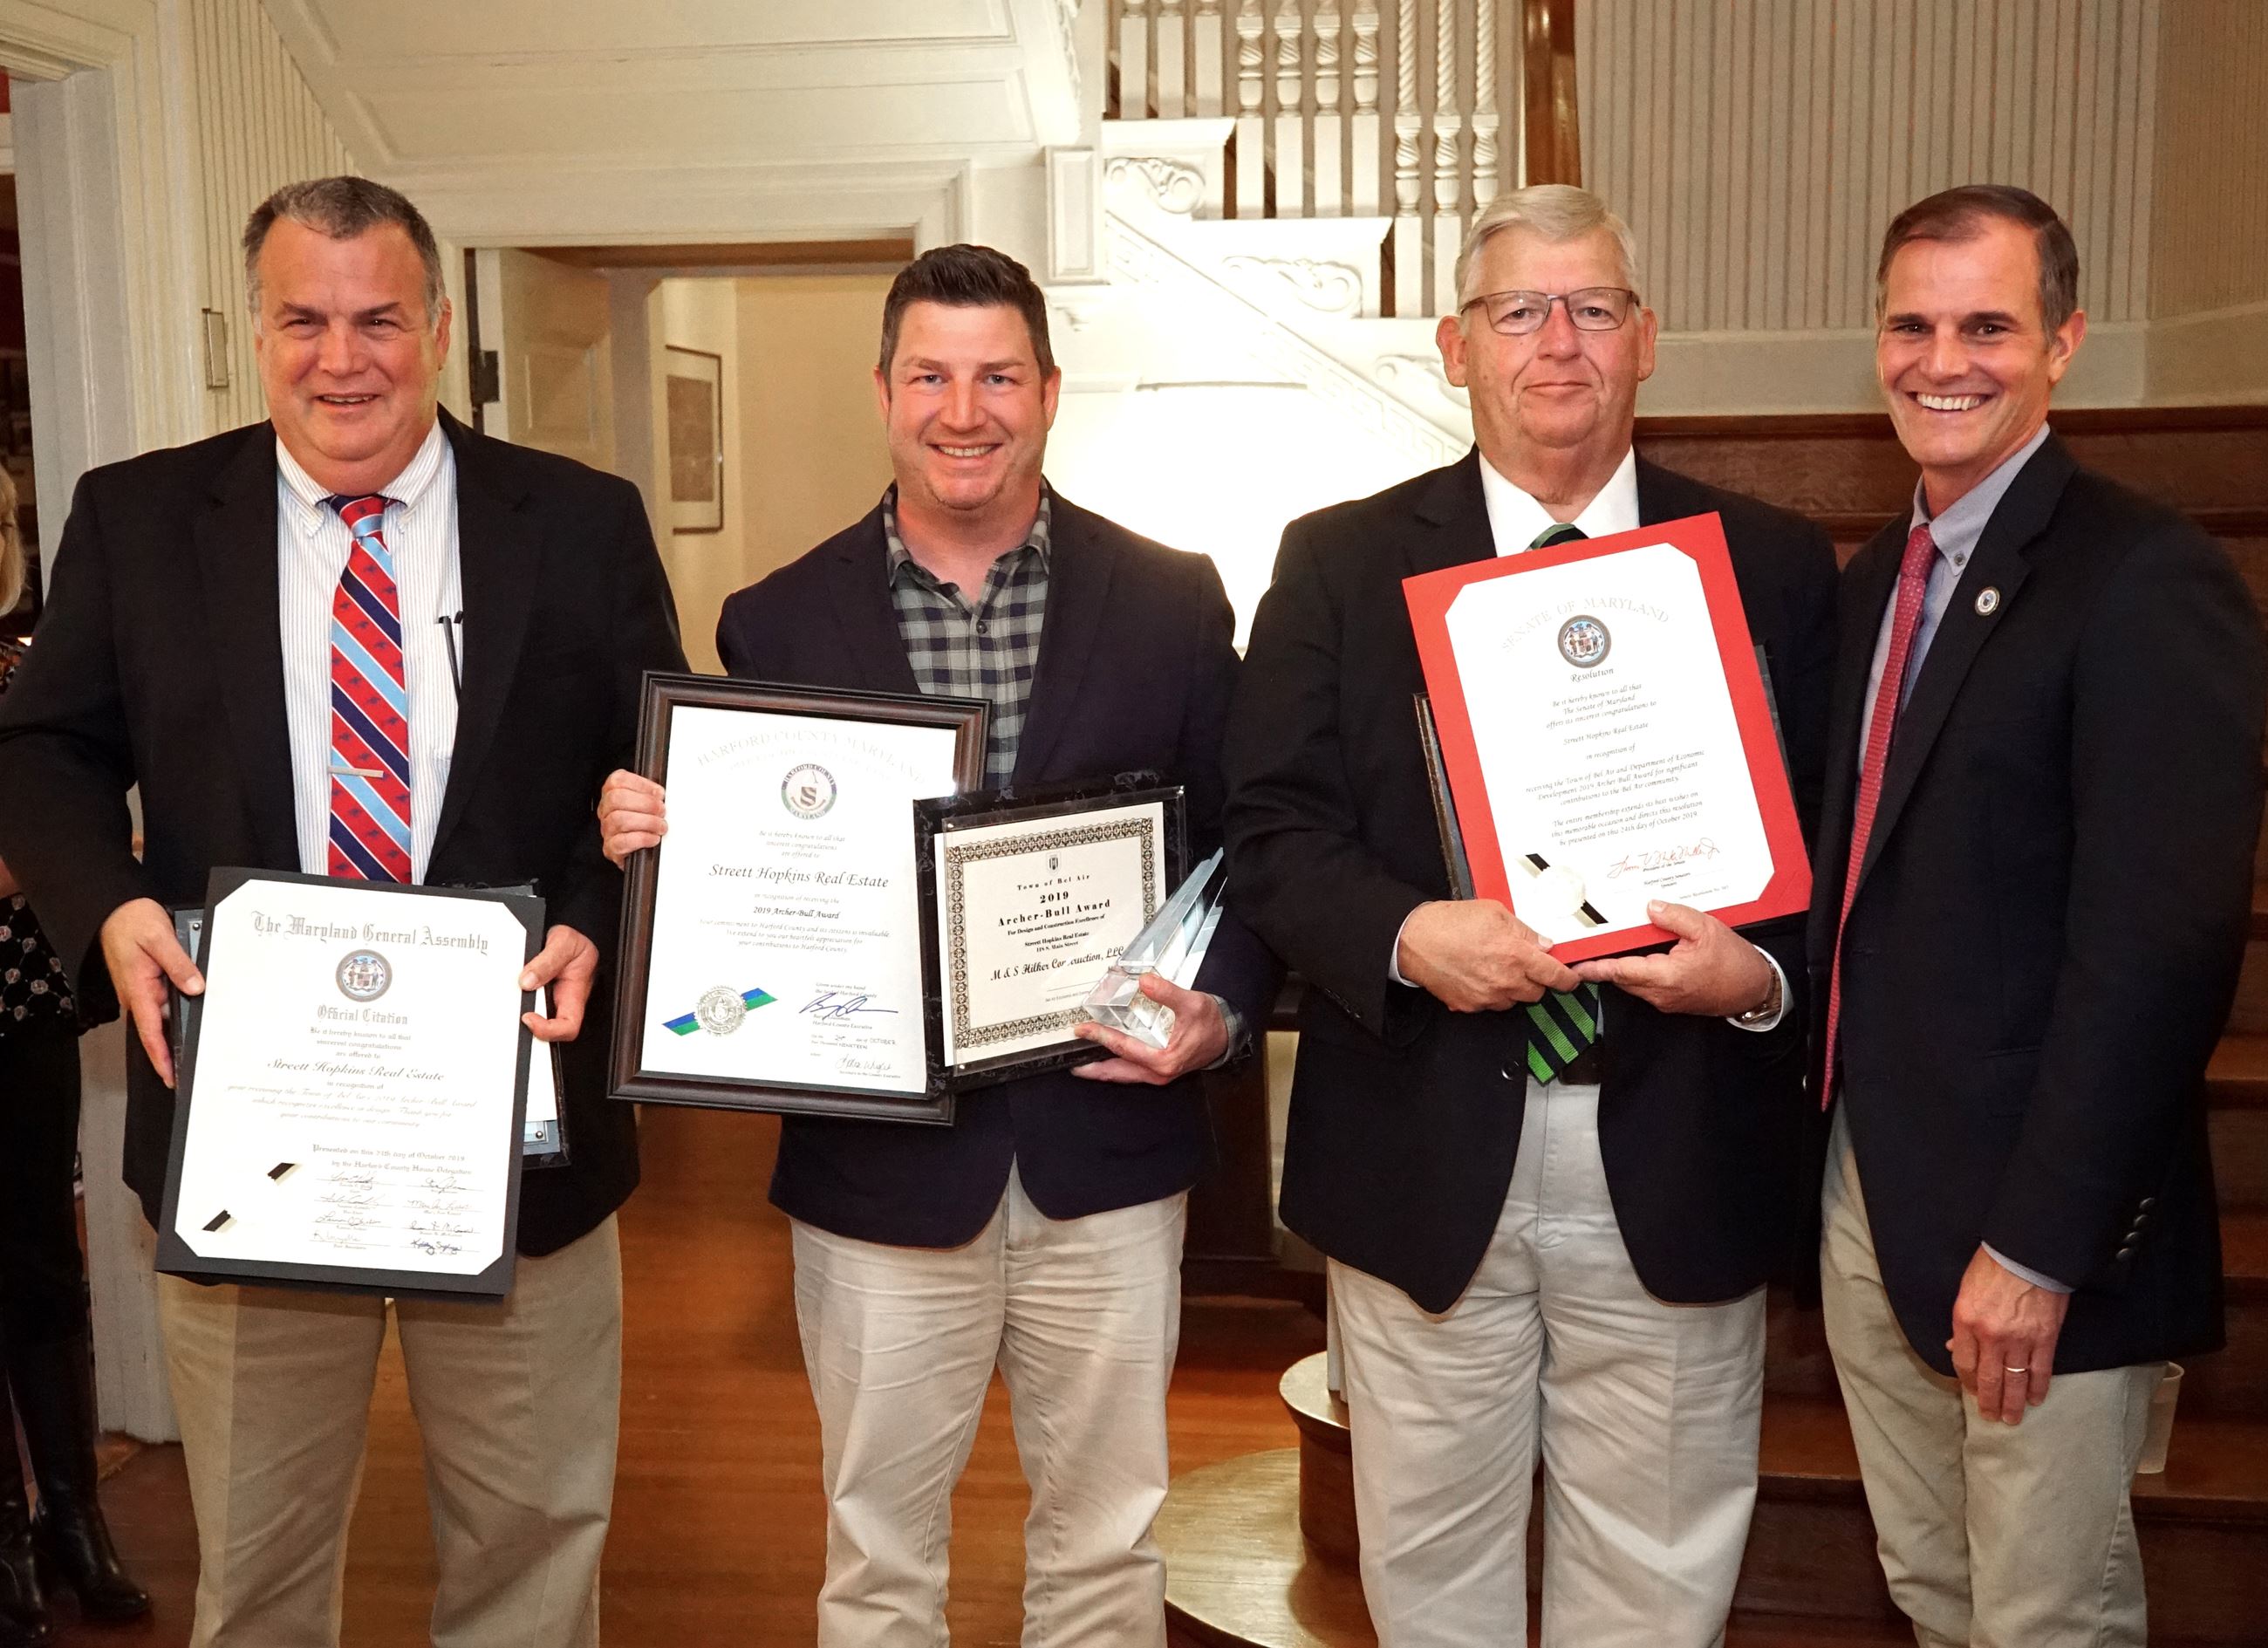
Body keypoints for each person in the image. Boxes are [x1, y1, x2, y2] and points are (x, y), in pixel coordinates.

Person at [0, 176, 685, 1647]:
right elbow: (44, 749)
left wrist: (588, 913)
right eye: (303, 319)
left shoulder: (578, 523)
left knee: (534, 1550)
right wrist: (109, 906)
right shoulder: (136, 520)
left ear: (438, 327)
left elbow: (645, 780)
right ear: (255, 332)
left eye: (379, 317)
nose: (343, 356)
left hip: (518, 1135)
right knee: (253, 1570)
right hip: (251, 1130)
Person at [597, 243, 1278, 1647]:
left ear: (1048, 392)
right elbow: (760, 860)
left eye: (998, 375)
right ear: (883, 391)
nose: (963, 410)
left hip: (1108, 1149)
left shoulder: (1171, 596)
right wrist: (665, 832)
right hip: (882, 1167)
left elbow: (1247, 845)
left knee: (1106, 1542)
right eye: (930, 374)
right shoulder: (779, 617)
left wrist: (1217, 1011)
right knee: (879, 1557)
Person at [1222, 183, 1840, 1646]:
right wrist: (1407, 935)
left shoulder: (1772, 565)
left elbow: (1840, 848)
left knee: (1660, 1574)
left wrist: (1751, 976)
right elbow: (1273, 836)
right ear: (1455, 345)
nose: (1558, 343)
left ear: (1647, 340)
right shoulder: (1335, 559)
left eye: (1595, 307)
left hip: (1678, 1139)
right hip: (1424, 1141)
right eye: (1520, 310)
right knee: (1429, 1576)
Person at [1810, 184, 2265, 1648]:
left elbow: (2162, 943)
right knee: (1936, 1588)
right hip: (1871, 1194)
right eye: (1914, 324)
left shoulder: (2145, 577)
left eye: (1989, 325)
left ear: (2063, 341)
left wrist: (2043, 1246)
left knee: (2042, 1619)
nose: (1946, 359)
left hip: (2033, 1230)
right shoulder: (1878, 581)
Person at [1, 469, 151, 1648]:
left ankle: (75, 1517)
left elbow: (60, 835)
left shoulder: (31, 662)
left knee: (45, 1264)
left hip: (15, 1010)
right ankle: (4, 1529)